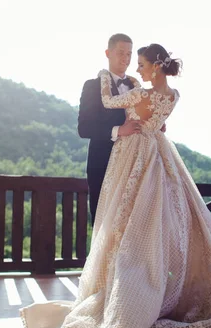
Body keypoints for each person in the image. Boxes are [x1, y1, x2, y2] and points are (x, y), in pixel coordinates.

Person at [20, 43, 211, 328]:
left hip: (134, 158)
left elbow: (109, 100)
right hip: (160, 154)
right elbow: (154, 120)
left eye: (140, 63)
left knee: (130, 224)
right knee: (164, 224)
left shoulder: (139, 94)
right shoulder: (173, 96)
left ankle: (131, 298)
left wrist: (104, 77)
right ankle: (156, 290)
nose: (136, 69)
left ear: (154, 67)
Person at [77, 33, 142, 226]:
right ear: (108, 53)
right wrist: (118, 130)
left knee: (131, 224)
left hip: (133, 164)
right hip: (102, 164)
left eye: (129, 54)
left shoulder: (137, 87)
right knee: (102, 222)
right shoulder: (92, 86)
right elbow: (84, 128)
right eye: (121, 52)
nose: (126, 58)